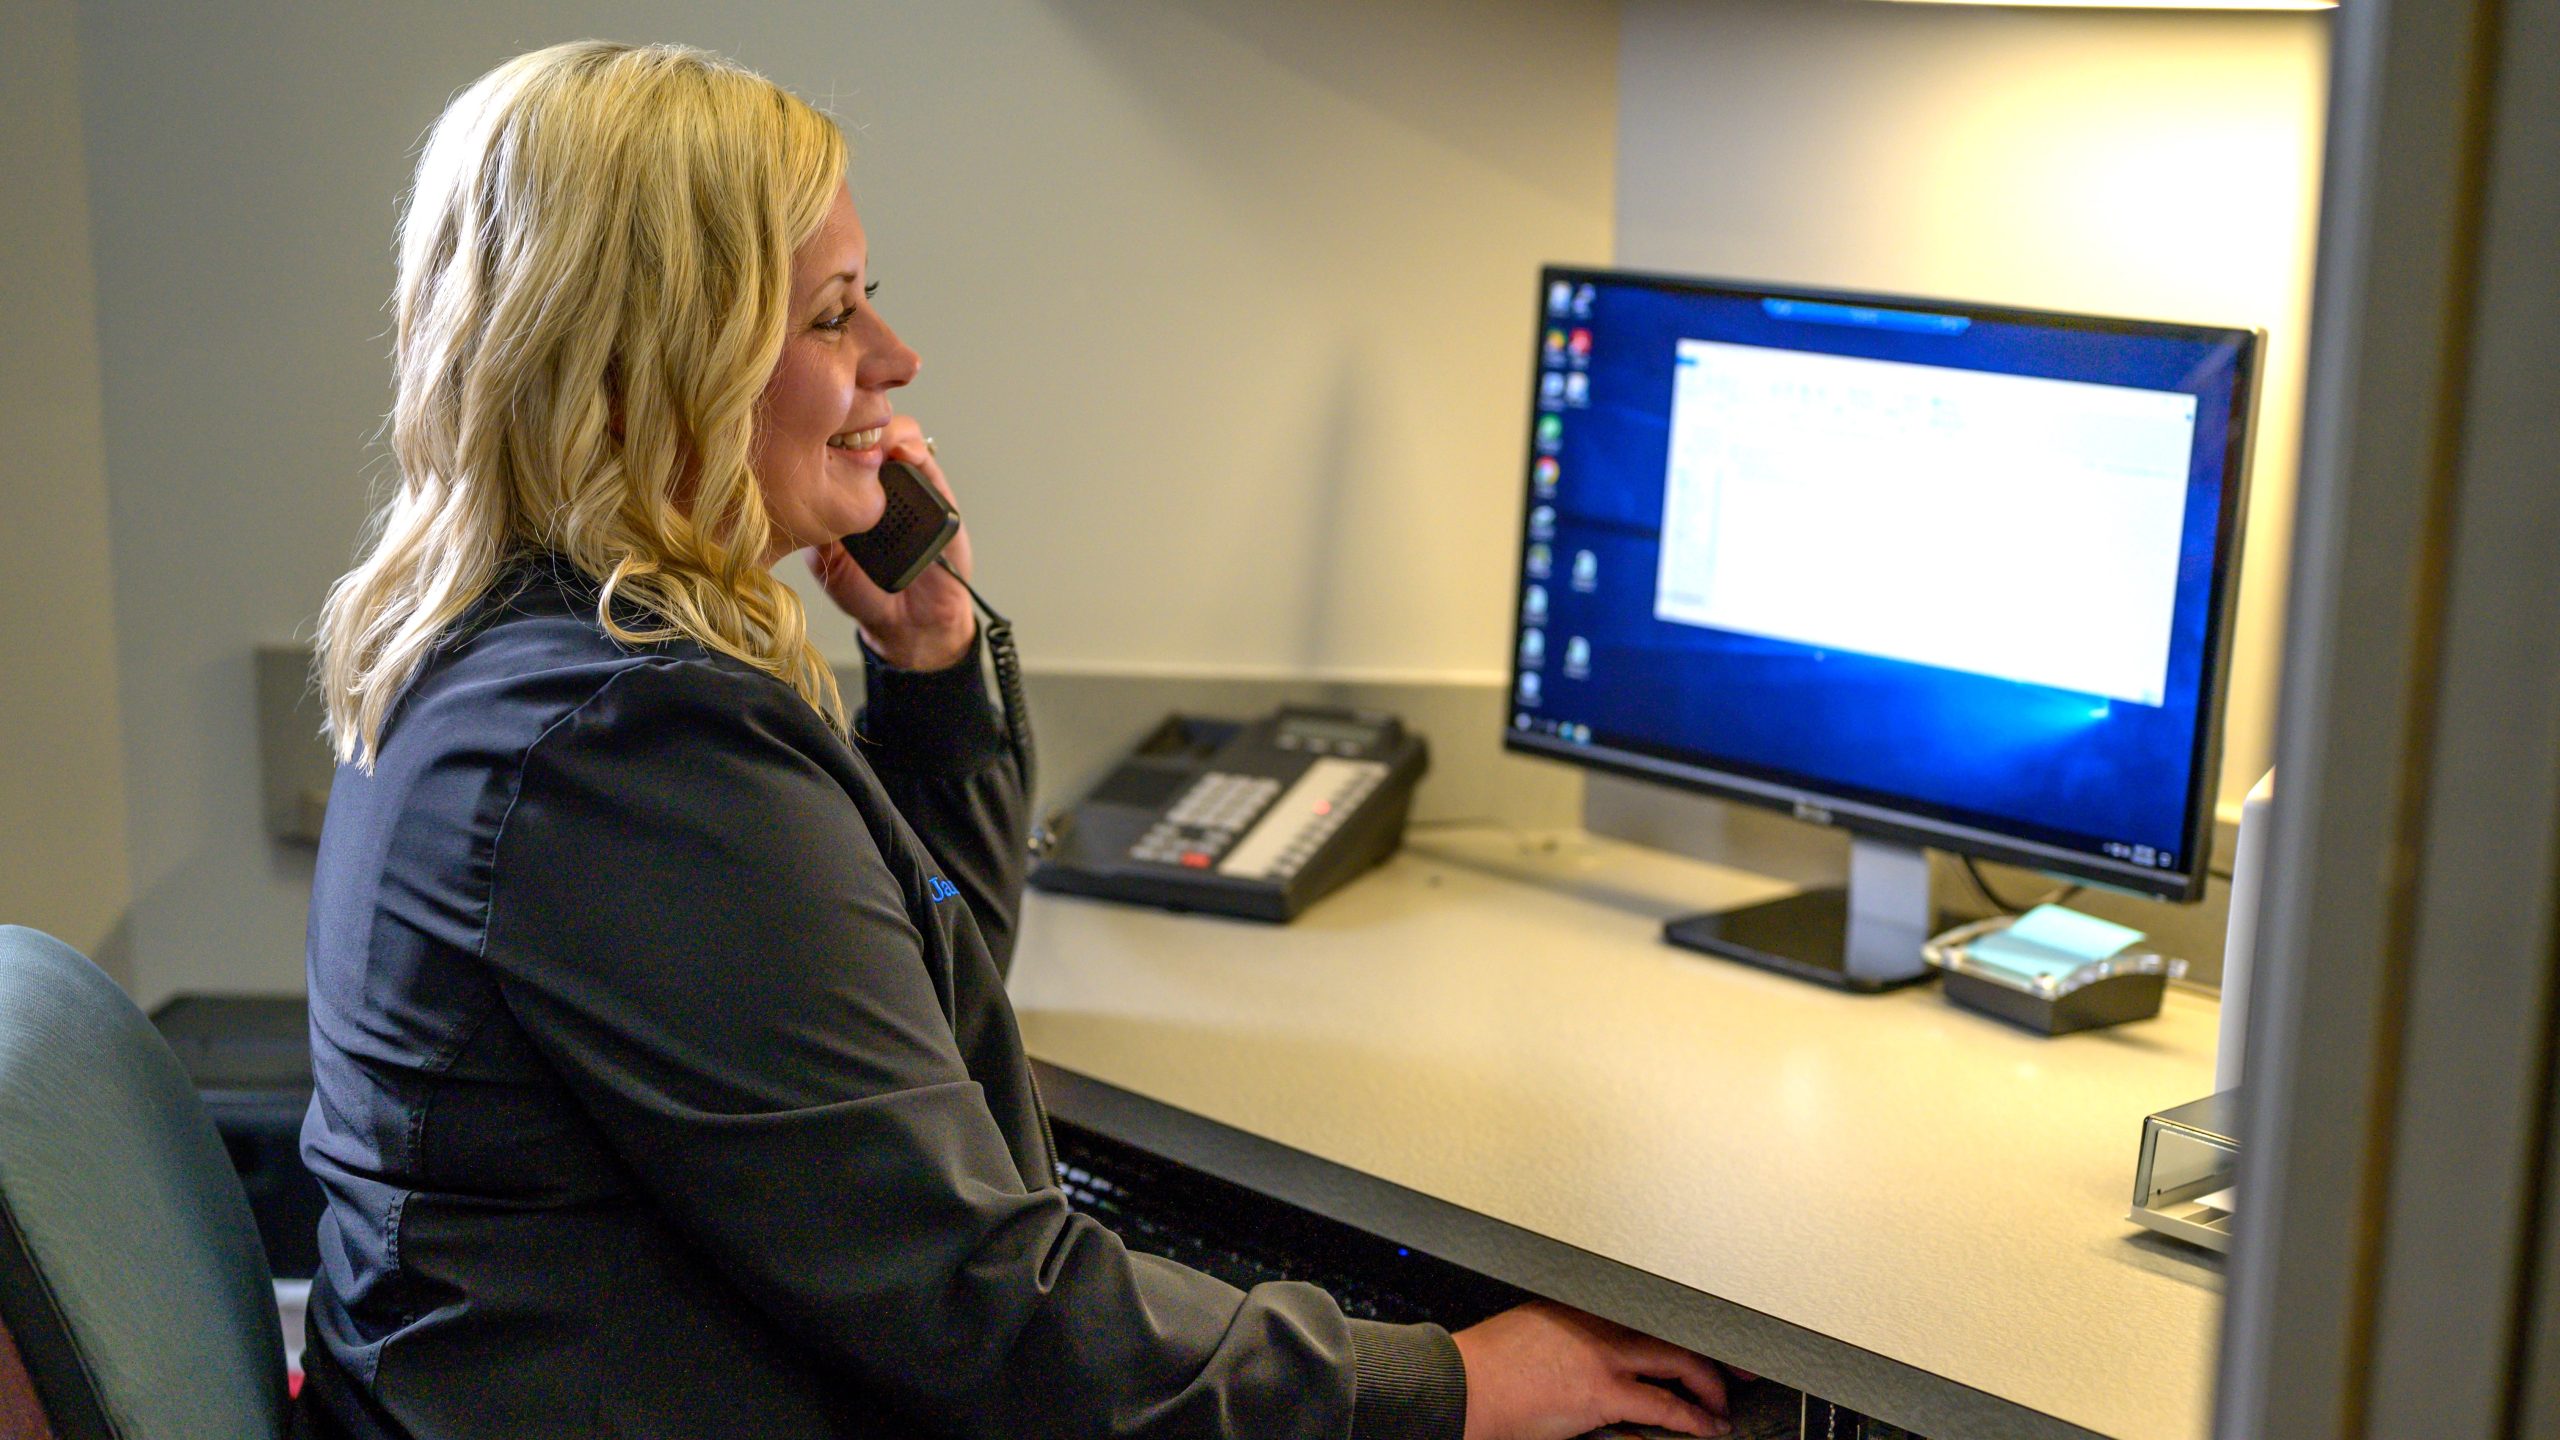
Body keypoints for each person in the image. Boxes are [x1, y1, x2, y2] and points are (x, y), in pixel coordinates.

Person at [302, 40, 1741, 1440]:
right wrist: (1457, 1385)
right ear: (659, 366)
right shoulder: (632, 750)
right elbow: (987, 1316)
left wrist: (930, 662)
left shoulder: (518, 654)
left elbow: (909, 1024)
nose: (896, 357)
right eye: (831, 318)